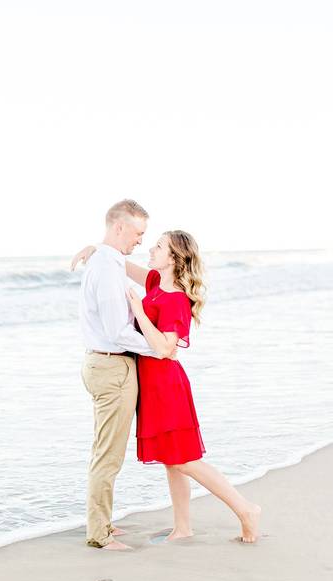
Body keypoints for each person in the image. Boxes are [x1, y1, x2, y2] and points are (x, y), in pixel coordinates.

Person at [73, 230, 262, 544]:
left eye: (158, 246)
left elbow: (163, 346)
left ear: (173, 258)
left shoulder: (175, 300)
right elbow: (118, 263)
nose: (150, 248)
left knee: (185, 459)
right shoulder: (153, 284)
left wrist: (137, 311)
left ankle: (245, 509)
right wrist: (97, 249)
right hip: (151, 383)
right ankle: (183, 526)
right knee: (172, 461)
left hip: (165, 384)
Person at [72, 199, 175, 551]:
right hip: (111, 364)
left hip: (113, 364)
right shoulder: (105, 266)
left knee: (108, 450)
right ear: (119, 228)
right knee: (108, 454)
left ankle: (104, 523)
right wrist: (158, 347)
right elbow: (117, 331)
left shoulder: (110, 260)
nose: (140, 242)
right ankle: (98, 534)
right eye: (137, 233)